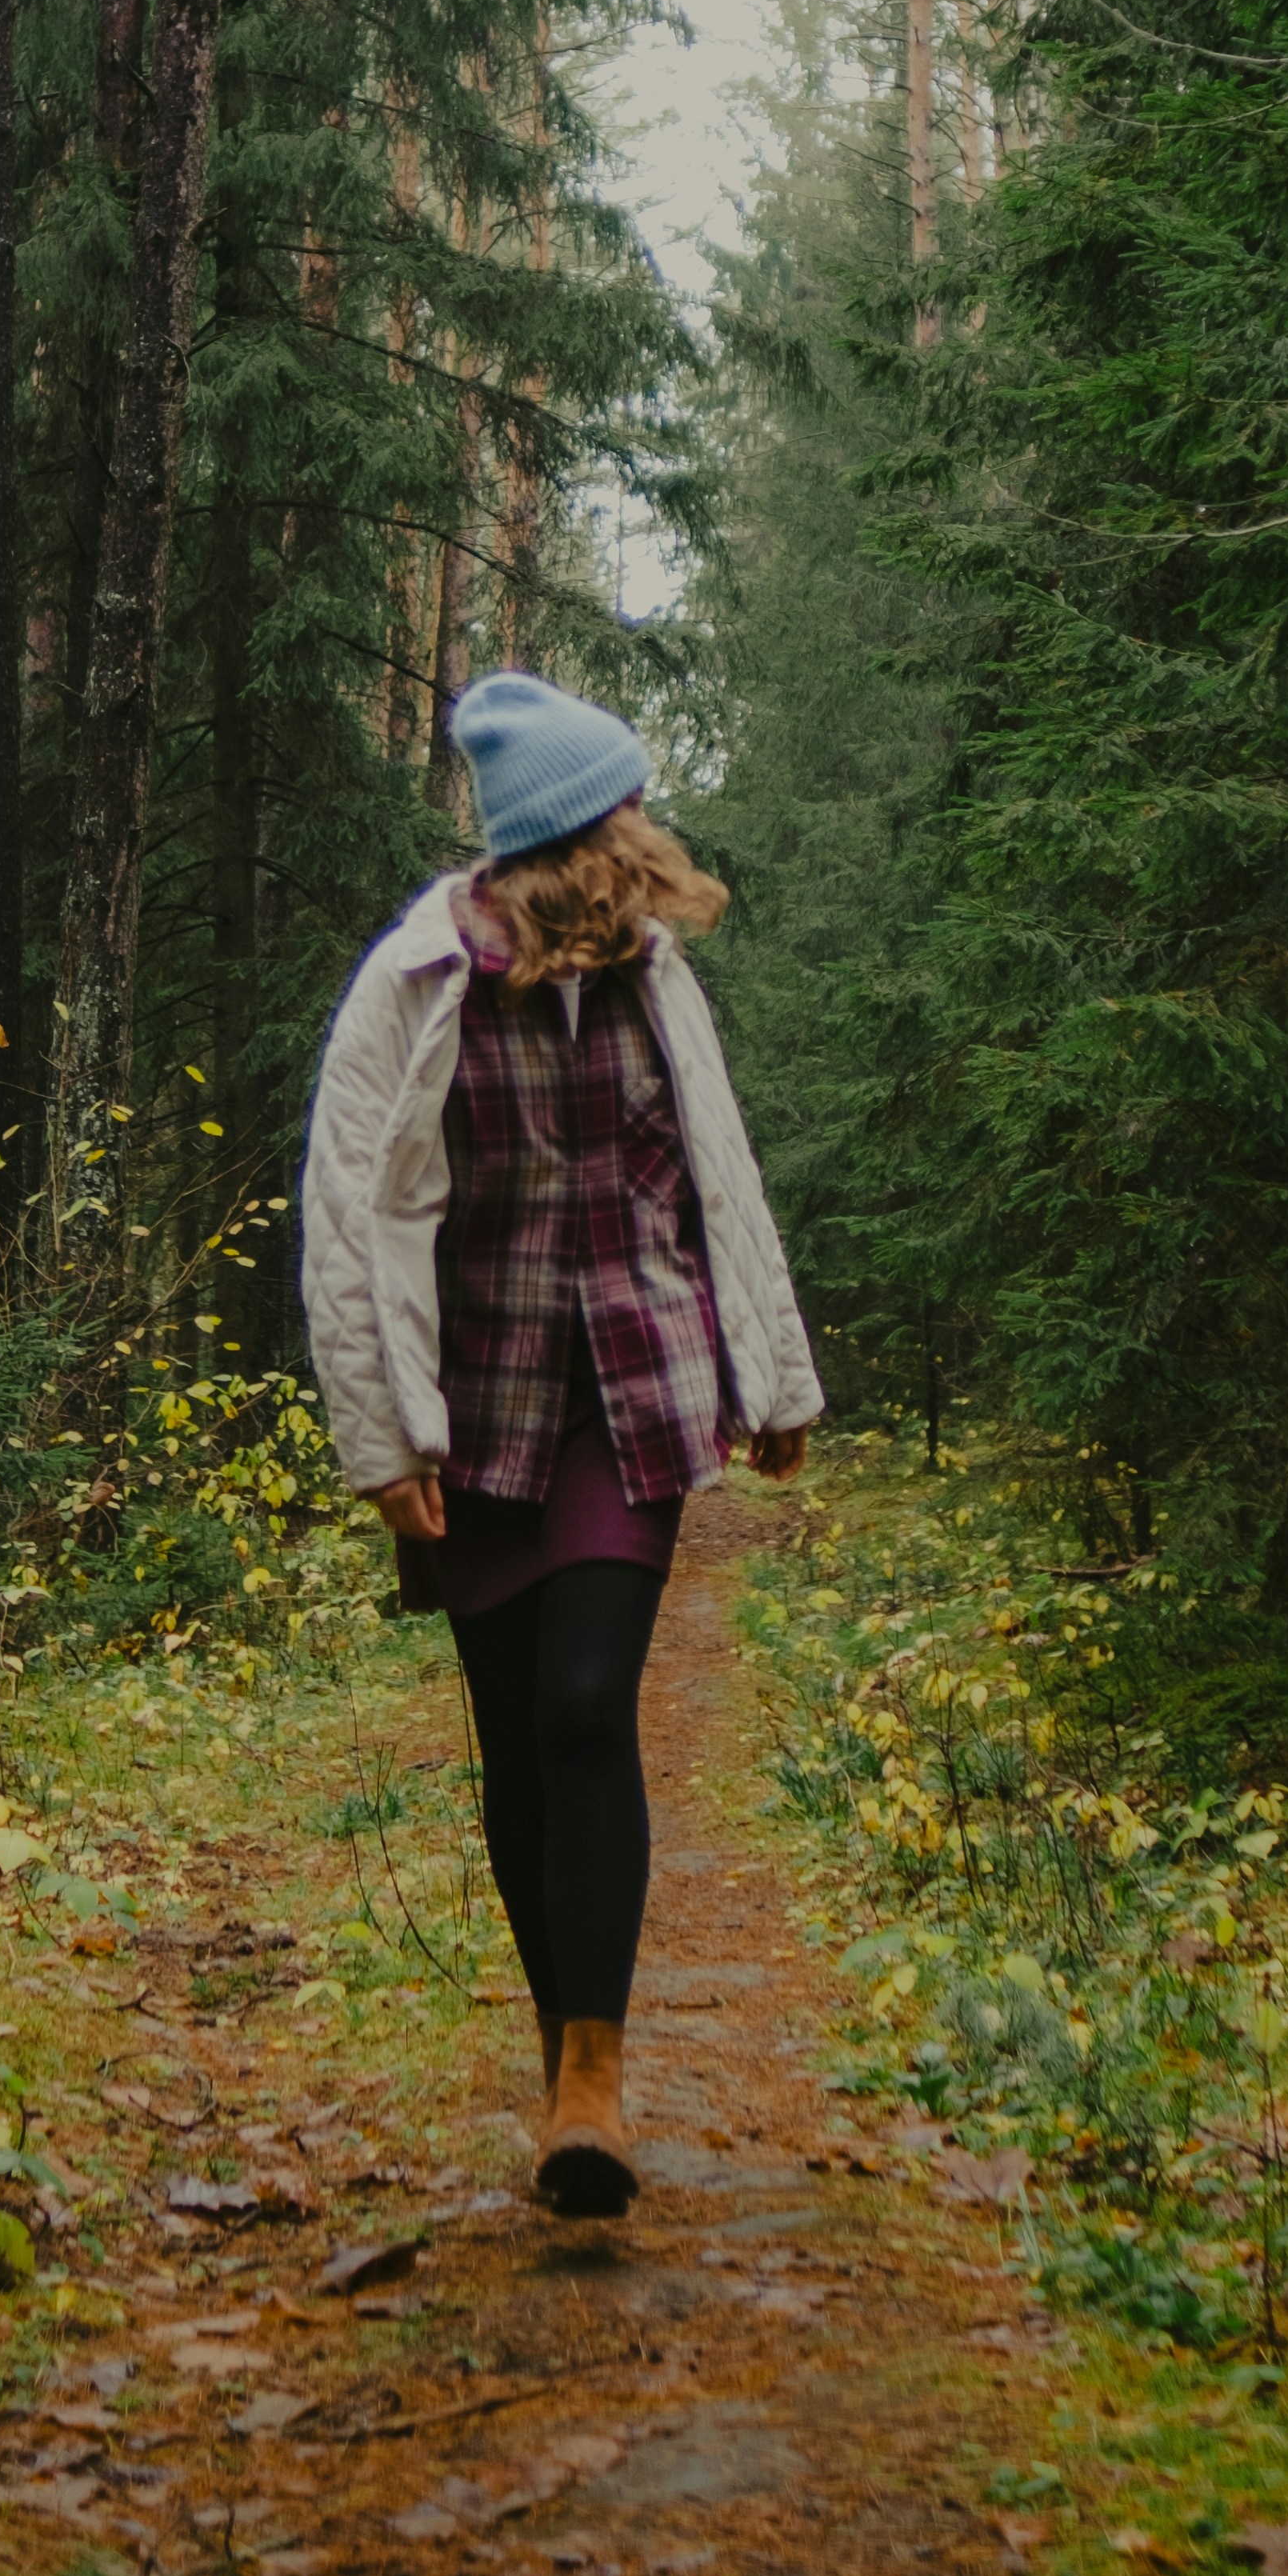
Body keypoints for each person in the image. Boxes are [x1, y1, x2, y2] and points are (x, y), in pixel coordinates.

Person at [299, 673, 822, 2217]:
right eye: (624, 813)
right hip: (476, 1409)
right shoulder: (415, 984)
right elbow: (348, 1222)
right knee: (519, 1738)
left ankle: (596, 2070)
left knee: (590, 1702)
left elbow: (719, 1173)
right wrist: (378, 1439)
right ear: (573, 840)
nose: (645, 836)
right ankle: (562, 2073)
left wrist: (772, 1377)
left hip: (635, 1387)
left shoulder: (660, 977)